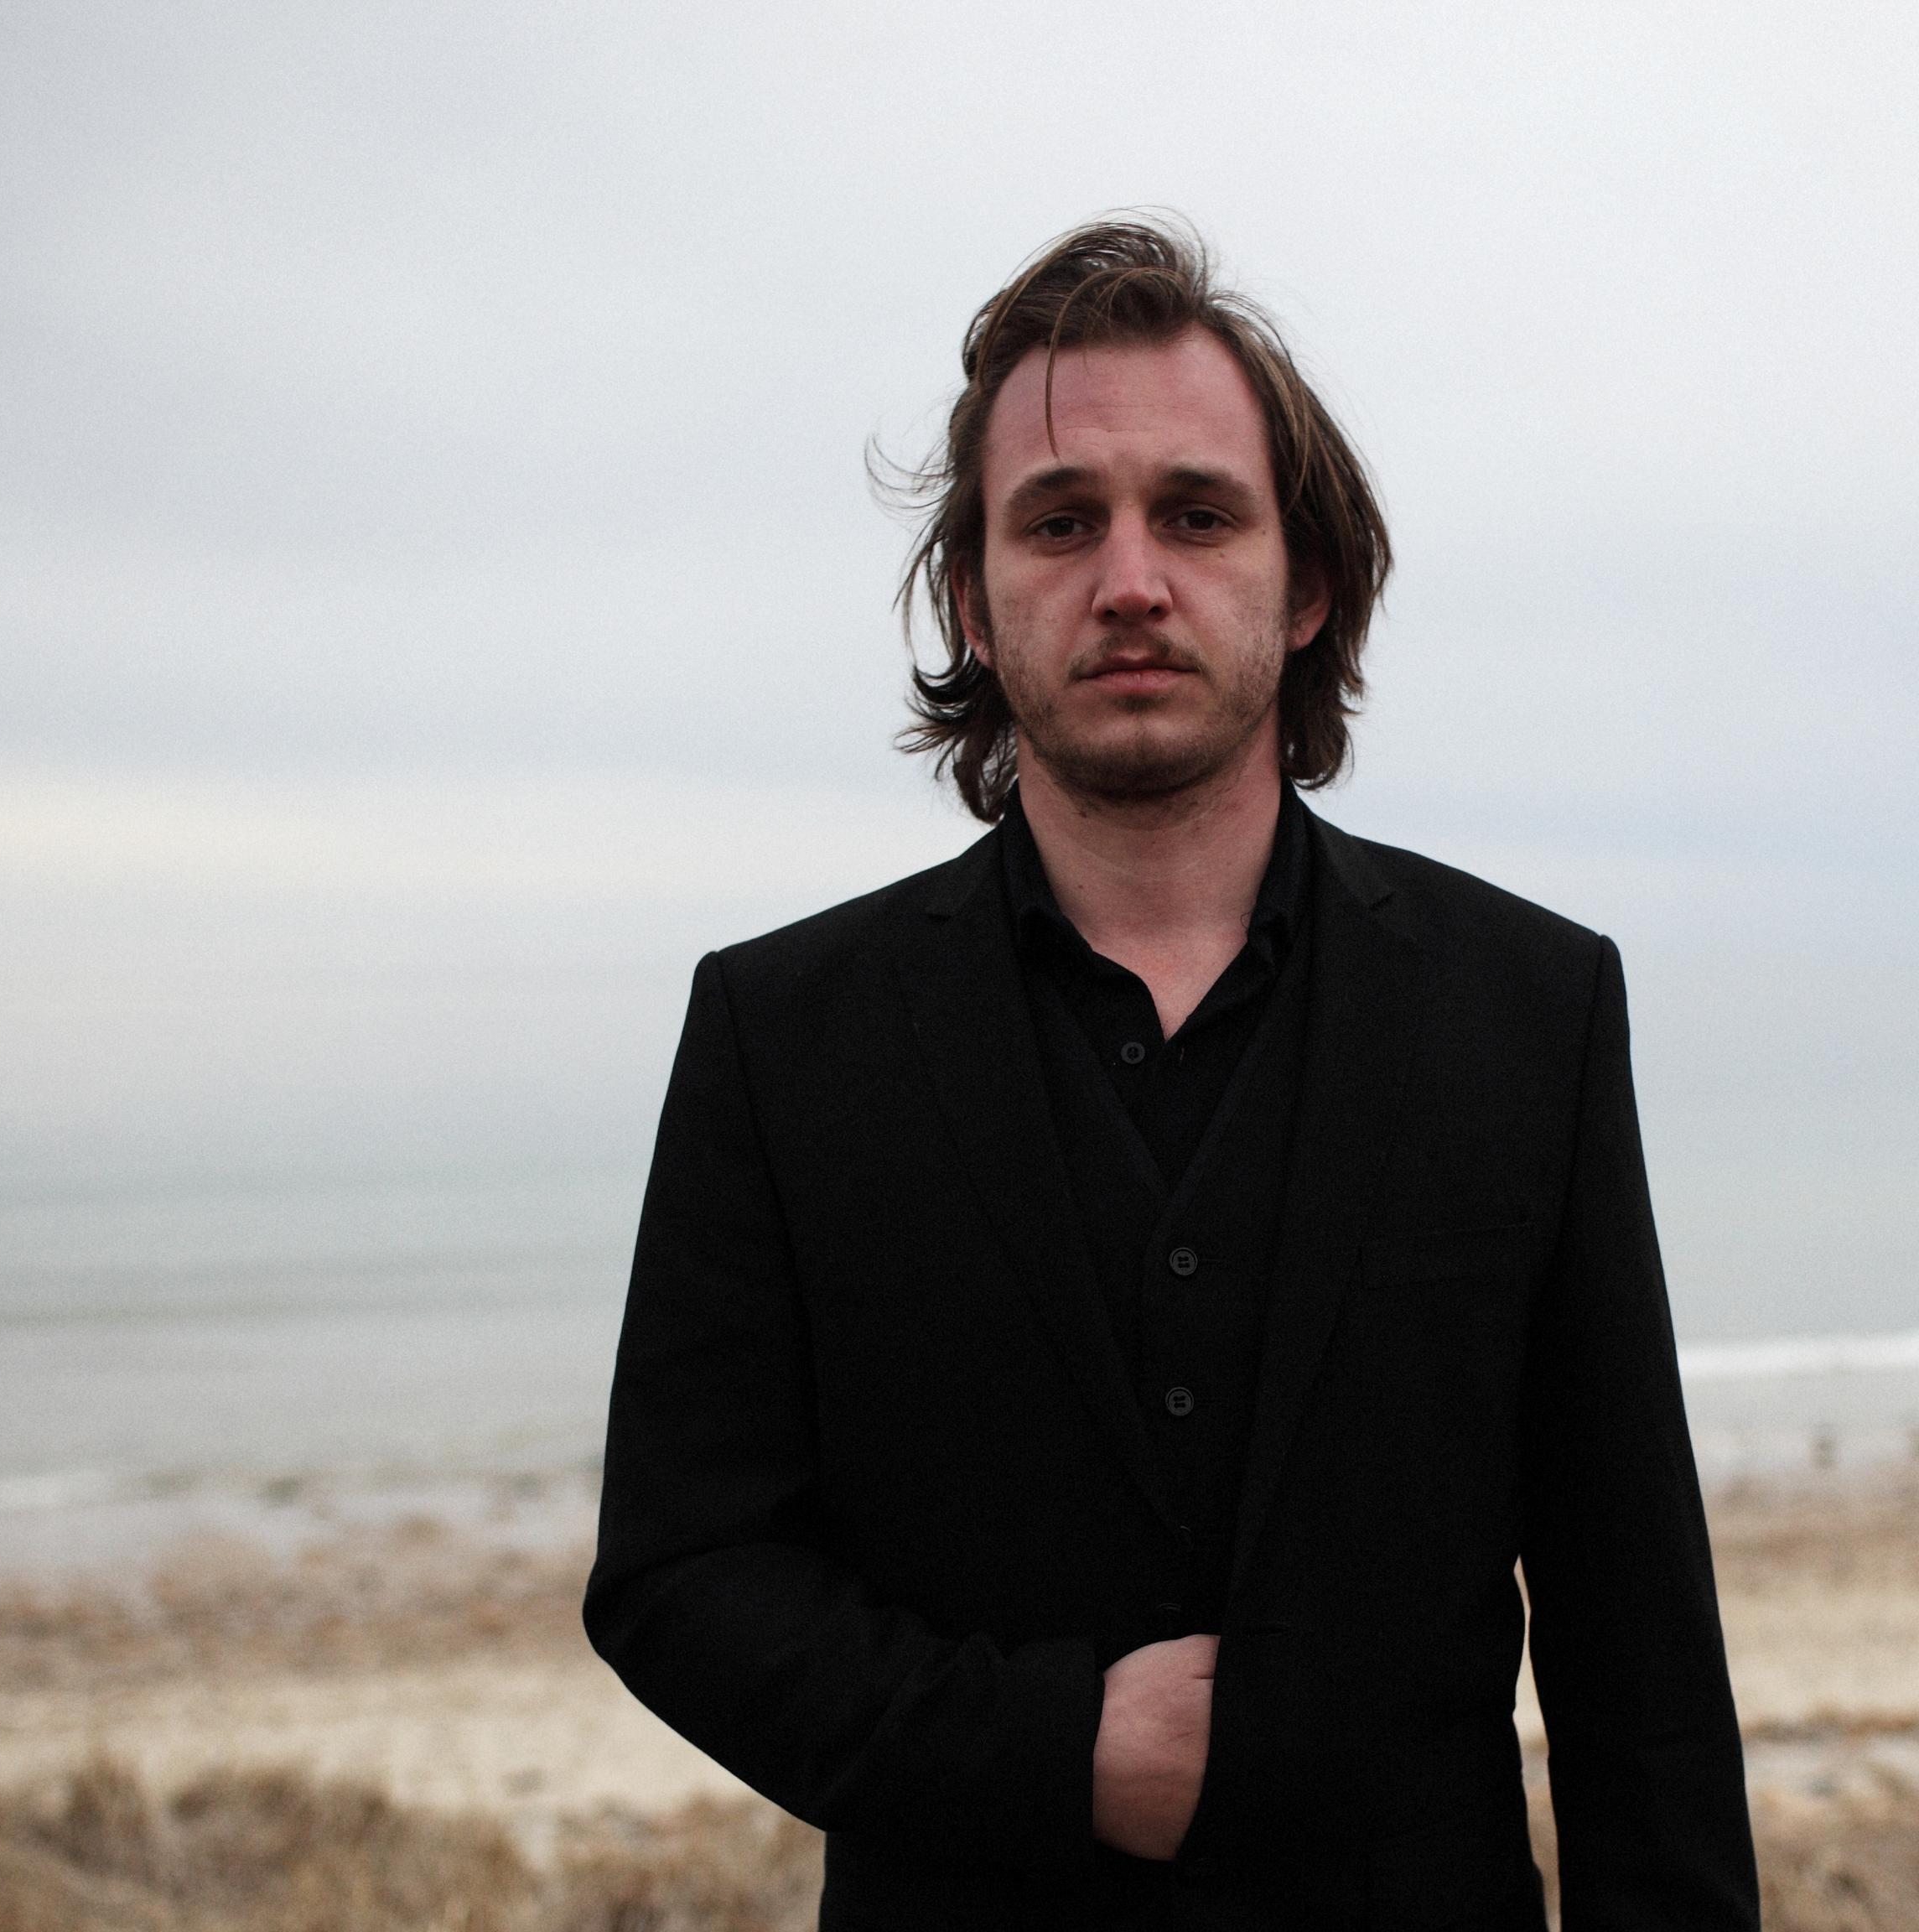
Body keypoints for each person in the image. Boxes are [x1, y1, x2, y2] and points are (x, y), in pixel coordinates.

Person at [586, 217, 1756, 1930]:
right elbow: (680, 1576)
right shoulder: (785, 1033)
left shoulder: (1530, 1008)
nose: (1130, 578)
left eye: (1197, 515)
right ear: (973, 599)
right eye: (1061, 521)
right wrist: (1051, 1747)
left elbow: (1632, 1625)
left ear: (1308, 583)